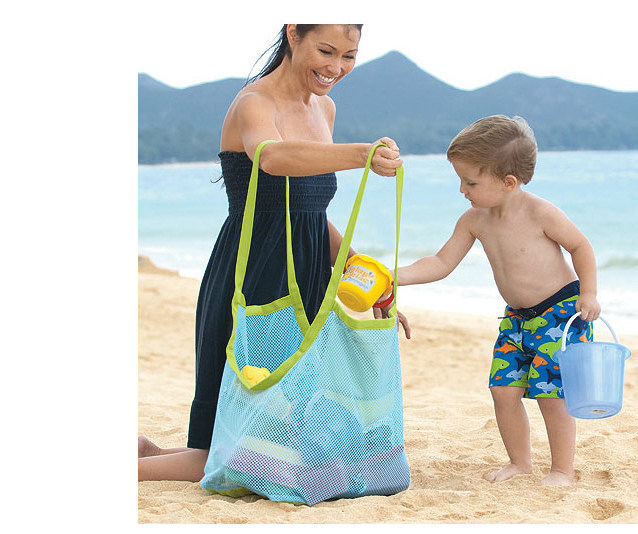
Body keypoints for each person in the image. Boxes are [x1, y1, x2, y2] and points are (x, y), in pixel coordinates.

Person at [139, 24, 410, 482]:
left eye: (348, 56)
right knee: (230, 452)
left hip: (306, 278)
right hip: (253, 276)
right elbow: (273, 157)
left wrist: (368, 277)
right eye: (326, 50)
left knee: (276, 439)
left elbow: (310, 213)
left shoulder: (325, 108)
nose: (336, 67)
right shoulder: (254, 103)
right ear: (293, 34)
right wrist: (362, 154)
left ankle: (150, 452)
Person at [393, 115, 600, 486]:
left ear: (508, 182)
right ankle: (520, 463)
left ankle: (562, 470)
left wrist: (590, 293)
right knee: (503, 391)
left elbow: (580, 246)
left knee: (552, 395)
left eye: (470, 182)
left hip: (560, 314)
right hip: (516, 319)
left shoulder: (540, 213)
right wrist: (395, 274)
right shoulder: (475, 220)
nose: (462, 189)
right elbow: (441, 262)